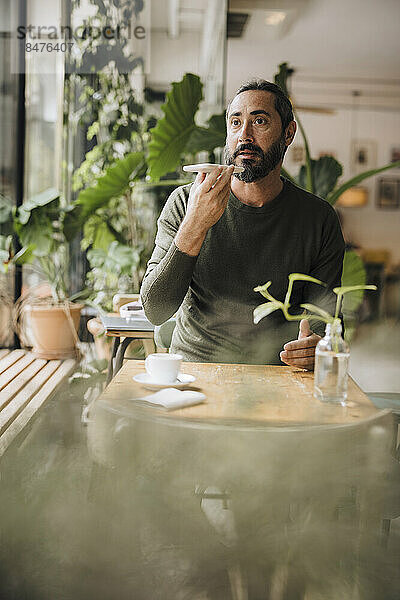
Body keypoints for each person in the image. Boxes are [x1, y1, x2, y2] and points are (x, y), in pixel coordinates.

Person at [140, 80, 345, 370]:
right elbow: (155, 309)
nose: (244, 136)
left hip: (277, 376)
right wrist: (195, 224)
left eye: (259, 121)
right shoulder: (185, 202)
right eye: (235, 122)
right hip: (196, 371)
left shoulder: (319, 218)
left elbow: (326, 324)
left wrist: (318, 347)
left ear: (288, 133)